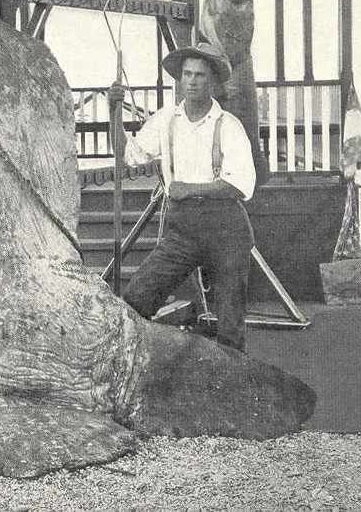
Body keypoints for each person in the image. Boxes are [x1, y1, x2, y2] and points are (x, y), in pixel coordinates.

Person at [109, 42, 256, 352]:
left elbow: (242, 184)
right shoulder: (166, 120)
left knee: (230, 325)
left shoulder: (228, 126)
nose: (191, 81)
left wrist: (189, 188)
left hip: (225, 229)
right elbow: (128, 155)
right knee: (136, 300)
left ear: (213, 83)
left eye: (200, 75)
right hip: (182, 231)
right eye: (186, 74)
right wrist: (114, 116)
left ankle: (232, 388)